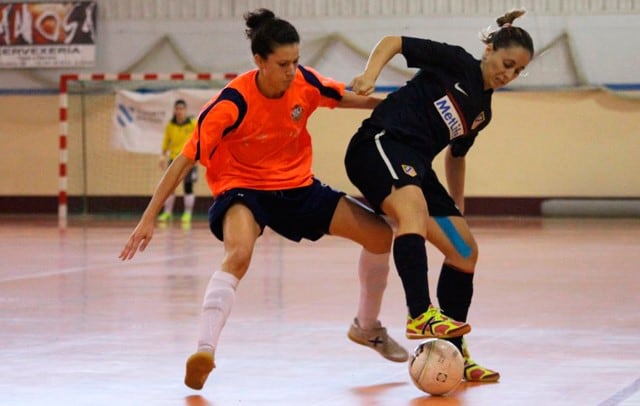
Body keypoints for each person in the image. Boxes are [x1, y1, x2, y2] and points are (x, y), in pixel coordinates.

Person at [120, 8, 412, 391]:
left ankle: (367, 327)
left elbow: (343, 97)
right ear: (259, 61)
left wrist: (397, 106)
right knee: (238, 254)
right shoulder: (230, 103)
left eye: (296, 61)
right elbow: (183, 160)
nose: (292, 71)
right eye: (282, 64)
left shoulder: (303, 82)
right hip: (243, 189)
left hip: (297, 188)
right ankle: (204, 351)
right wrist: (149, 217)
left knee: (379, 235)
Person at [345, 10, 534, 383]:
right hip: (380, 143)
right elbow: (393, 41)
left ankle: (459, 354)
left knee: (465, 251)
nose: (507, 75)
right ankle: (419, 313)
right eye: (506, 64)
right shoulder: (456, 61)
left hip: (417, 166)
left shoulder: (482, 111)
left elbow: (457, 156)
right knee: (410, 212)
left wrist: (457, 208)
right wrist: (370, 76)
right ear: (490, 49)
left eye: (517, 72)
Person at [158, 99, 198, 224]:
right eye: (177, 109)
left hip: (189, 159)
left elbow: (199, 138)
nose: (179, 111)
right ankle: (167, 212)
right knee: (170, 187)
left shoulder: (192, 124)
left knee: (188, 187)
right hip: (173, 159)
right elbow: (166, 142)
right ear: (174, 110)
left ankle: (187, 213)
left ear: (185, 110)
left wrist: (198, 156)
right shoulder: (170, 125)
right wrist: (162, 156)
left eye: (181, 109)